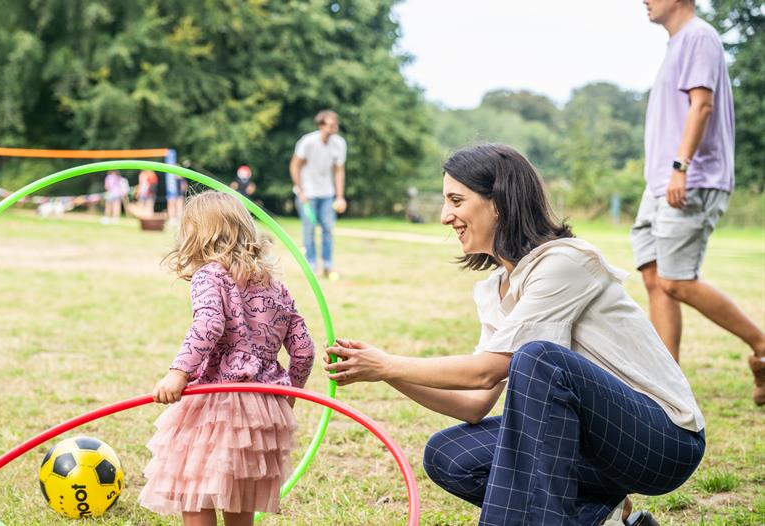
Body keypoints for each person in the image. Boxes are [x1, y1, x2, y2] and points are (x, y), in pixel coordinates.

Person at [324, 144, 705, 526]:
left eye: (456, 200)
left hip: (662, 441)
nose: (445, 216)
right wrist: (387, 372)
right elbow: (474, 402)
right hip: (596, 448)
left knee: (539, 358)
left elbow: (486, 371)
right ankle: (603, 518)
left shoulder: (564, 262)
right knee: (451, 454)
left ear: (499, 203)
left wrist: (390, 362)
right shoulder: (496, 289)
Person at [138, 190, 316, 526]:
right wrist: (290, 393)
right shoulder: (276, 287)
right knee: (240, 492)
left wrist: (178, 373)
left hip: (217, 400)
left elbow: (209, 323)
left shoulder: (211, 275)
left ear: (196, 237)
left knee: (195, 483)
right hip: (263, 408)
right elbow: (304, 348)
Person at [633, 0, 764, 404]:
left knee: (676, 280)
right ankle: (665, 386)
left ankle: (762, 345)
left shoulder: (700, 37)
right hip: (659, 183)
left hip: (689, 178)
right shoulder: (677, 43)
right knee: (655, 277)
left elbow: (702, 105)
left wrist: (680, 166)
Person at [289, 110, 347, 279]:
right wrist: (300, 190)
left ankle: (328, 266)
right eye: (330, 125)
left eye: (335, 125)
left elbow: (339, 171)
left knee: (328, 229)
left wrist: (340, 196)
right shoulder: (308, 142)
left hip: (327, 193)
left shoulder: (339, 144)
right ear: (321, 125)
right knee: (309, 229)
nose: (333, 128)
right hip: (308, 193)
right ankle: (312, 266)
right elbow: (295, 166)